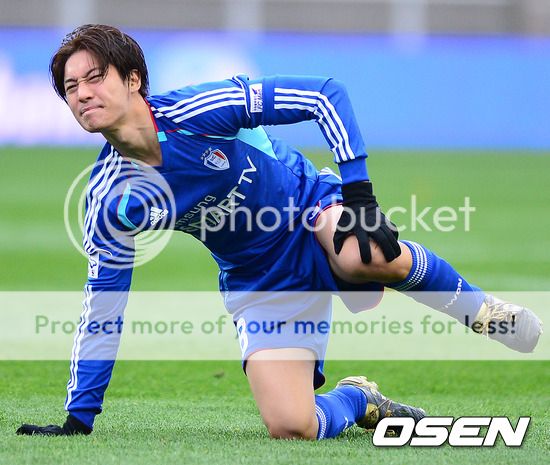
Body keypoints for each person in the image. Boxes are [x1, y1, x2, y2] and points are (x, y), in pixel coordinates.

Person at [17, 24, 541, 439]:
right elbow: (104, 304)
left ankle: (482, 312)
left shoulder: (195, 111)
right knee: (292, 426)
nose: (81, 94)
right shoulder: (111, 199)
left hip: (311, 211)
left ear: (132, 79)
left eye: (94, 77)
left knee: (361, 253)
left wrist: (359, 197)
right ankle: (360, 398)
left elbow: (324, 97)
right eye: (70, 88)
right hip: (257, 277)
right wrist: (78, 417)